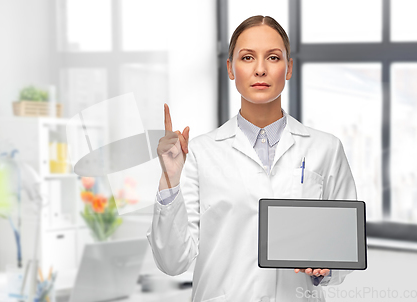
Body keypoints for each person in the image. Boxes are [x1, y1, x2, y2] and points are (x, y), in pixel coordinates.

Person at [147, 15, 357, 302]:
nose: (260, 69)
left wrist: (326, 266)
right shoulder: (198, 152)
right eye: (247, 58)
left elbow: (343, 249)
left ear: (289, 68)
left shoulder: (326, 149)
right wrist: (169, 180)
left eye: (273, 57)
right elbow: (173, 262)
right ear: (231, 69)